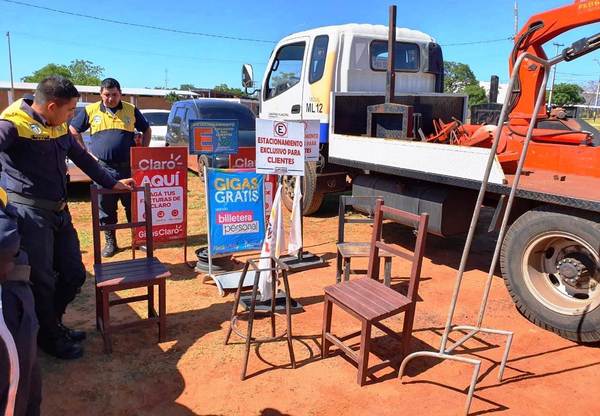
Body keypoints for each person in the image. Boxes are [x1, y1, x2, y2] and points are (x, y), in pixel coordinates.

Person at [0, 76, 134, 359]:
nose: (74, 115)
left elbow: (83, 158)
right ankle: (48, 337)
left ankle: (52, 323)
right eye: (71, 109)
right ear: (51, 106)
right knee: (43, 280)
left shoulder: (58, 125)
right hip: (30, 215)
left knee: (73, 274)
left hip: (60, 212)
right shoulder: (13, 124)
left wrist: (112, 182)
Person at [70, 78, 151, 257]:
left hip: (128, 168)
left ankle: (137, 240)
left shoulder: (130, 109)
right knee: (106, 208)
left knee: (133, 206)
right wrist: (85, 153)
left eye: (114, 94)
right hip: (102, 169)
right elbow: (73, 130)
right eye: (107, 95)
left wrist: (142, 153)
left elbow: (146, 130)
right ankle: (110, 243)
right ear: (101, 94)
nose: (111, 98)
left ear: (120, 94)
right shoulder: (90, 111)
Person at [0, 186, 41, 415]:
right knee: (13, 395)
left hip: (14, 288)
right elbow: (2, 240)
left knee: (28, 385)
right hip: (6, 300)